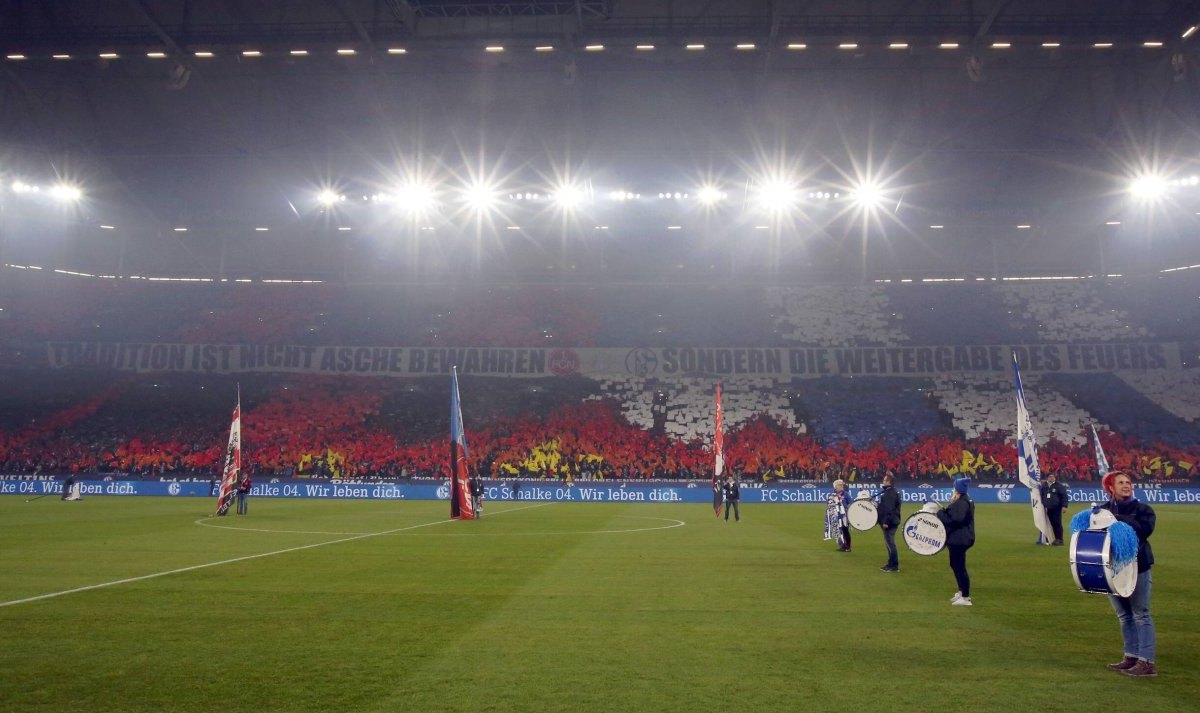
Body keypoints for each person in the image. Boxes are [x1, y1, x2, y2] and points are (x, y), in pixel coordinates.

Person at [1100, 472, 1157, 677]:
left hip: (1138, 567)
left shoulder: (1143, 510)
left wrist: (1116, 518)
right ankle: (1131, 656)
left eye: (1128, 482)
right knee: (1124, 616)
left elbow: (1143, 530)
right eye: (1121, 483)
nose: (1126, 485)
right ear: (1110, 488)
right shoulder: (1102, 511)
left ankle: (1147, 662)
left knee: (1141, 614)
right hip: (1111, 569)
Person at [938, 477, 975, 606]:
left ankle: (965, 597)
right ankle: (961, 591)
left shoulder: (961, 502)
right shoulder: (965, 500)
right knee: (955, 564)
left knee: (959, 566)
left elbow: (955, 519)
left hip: (959, 539)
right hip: (960, 538)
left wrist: (941, 513)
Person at [878, 473, 901, 572]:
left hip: (890, 522)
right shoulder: (891, 491)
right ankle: (890, 563)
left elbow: (889, 509)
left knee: (890, 544)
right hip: (893, 520)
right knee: (889, 543)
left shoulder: (889, 493)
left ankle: (894, 566)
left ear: (889, 482)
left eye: (884, 480)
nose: (883, 481)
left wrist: (886, 521)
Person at [1040, 472, 1069, 545]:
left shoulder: (1059, 486)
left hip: (1056, 508)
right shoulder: (1044, 486)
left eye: (1053, 476)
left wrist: (1064, 506)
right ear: (1047, 477)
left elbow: (1064, 496)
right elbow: (1042, 495)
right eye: (1050, 476)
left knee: (1057, 523)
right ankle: (1054, 539)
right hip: (1047, 508)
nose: (1052, 478)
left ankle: (1060, 539)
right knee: (1051, 524)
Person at [833, 479, 851, 551]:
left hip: (844, 516)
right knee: (839, 531)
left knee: (845, 531)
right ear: (835, 486)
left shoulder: (846, 494)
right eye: (840, 484)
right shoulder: (833, 495)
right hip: (837, 516)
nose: (842, 486)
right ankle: (842, 545)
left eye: (842, 484)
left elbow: (850, 503)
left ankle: (848, 546)